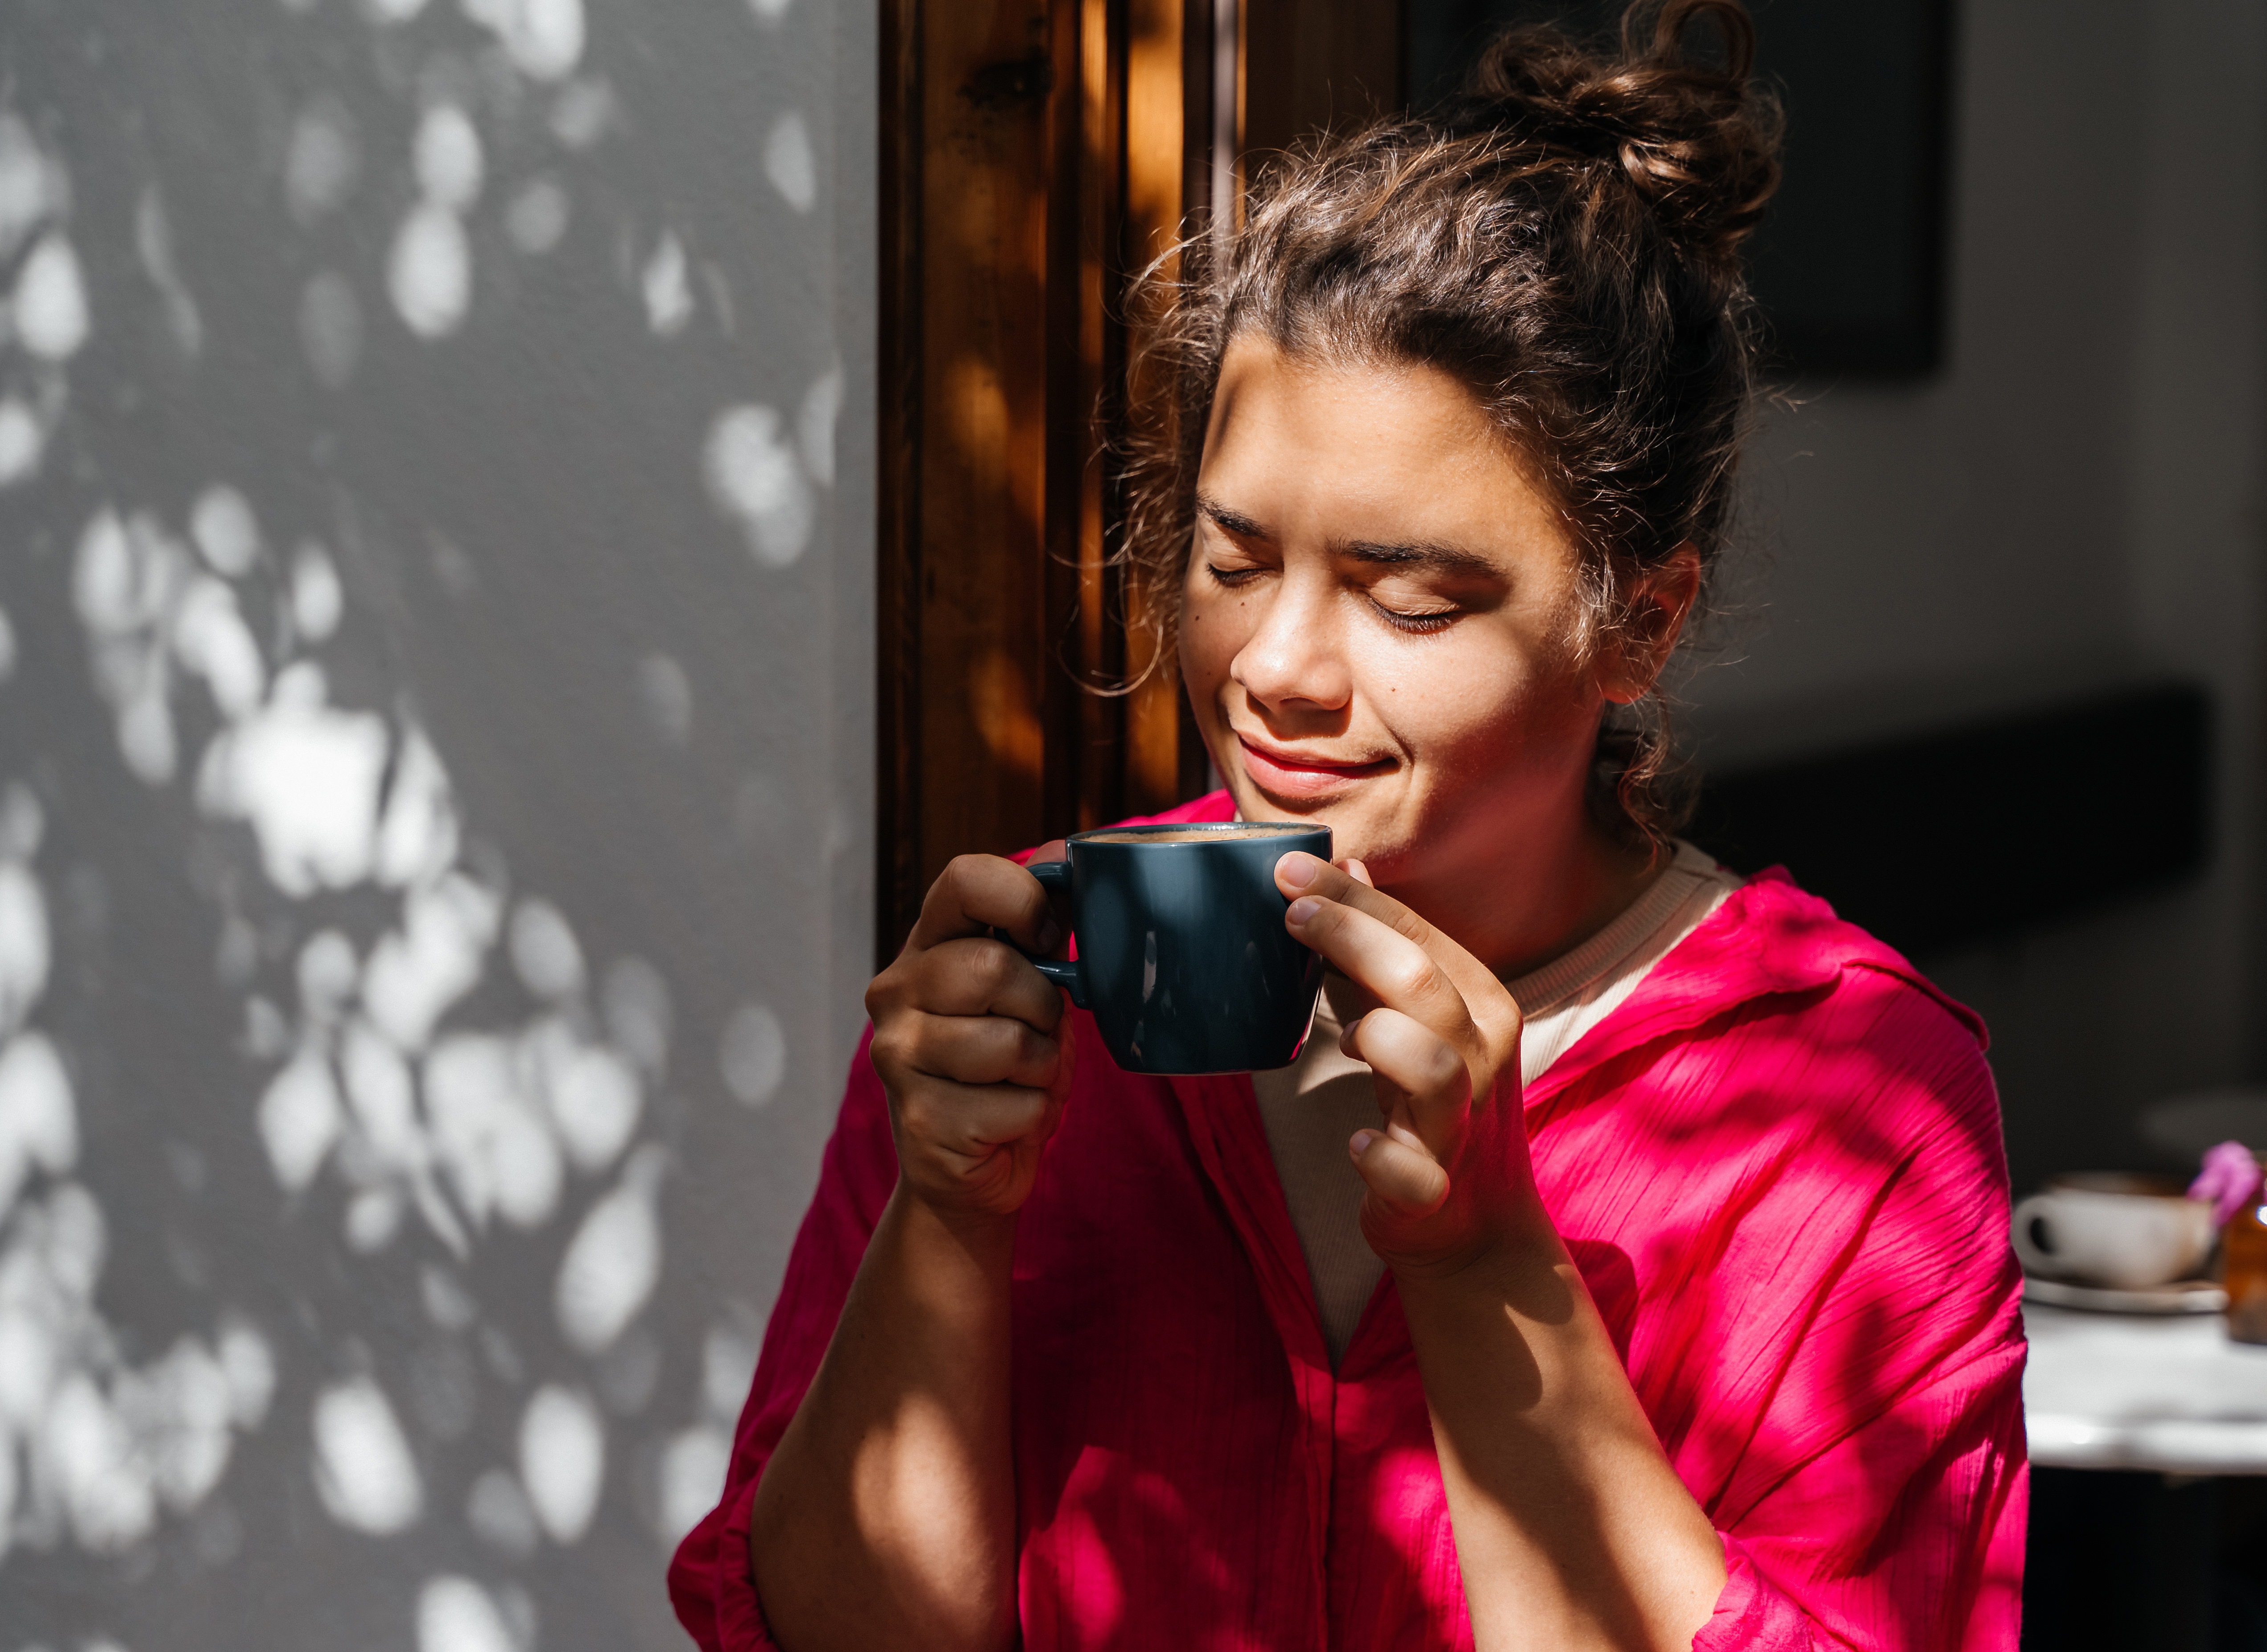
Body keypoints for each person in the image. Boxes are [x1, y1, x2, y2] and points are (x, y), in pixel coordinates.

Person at [670, 3, 2026, 1647]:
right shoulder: (1039, 983)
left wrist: (1479, 1260)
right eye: (1236, 564)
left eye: (1411, 599)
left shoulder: (1845, 1102)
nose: (1278, 670)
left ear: (1640, 624)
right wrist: (946, 1208)